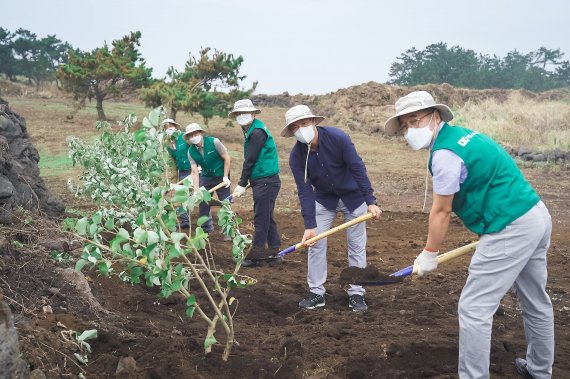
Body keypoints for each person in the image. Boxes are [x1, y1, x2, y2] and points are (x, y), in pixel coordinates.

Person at [384, 90, 553, 378]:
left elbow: (441, 211)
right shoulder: (464, 136)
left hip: (509, 227)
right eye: (404, 125)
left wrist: (429, 254)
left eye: (415, 120)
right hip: (534, 215)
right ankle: (539, 370)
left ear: (435, 117)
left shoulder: (445, 155)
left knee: (474, 308)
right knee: (536, 301)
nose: (410, 129)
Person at [281, 105, 381, 312]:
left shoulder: (338, 138)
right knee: (315, 243)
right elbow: (305, 190)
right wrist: (310, 225)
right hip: (324, 200)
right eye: (295, 127)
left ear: (314, 122)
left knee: (356, 246)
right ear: (291, 132)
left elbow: (357, 167)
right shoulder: (296, 157)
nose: (301, 129)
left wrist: (371, 201)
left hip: (353, 198)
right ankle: (317, 292)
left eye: (304, 123)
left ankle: (356, 294)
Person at [229, 99, 282, 267]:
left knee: (261, 217)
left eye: (245, 112)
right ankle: (274, 251)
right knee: (267, 216)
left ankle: (257, 254)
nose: (242, 116)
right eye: (239, 113)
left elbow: (250, 160)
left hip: (266, 181)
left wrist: (242, 183)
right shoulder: (252, 129)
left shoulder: (257, 132)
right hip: (265, 180)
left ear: (253, 113)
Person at [183, 123, 231, 236]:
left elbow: (227, 158)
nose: (194, 136)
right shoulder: (191, 151)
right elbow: (194, 171)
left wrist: (225, 176)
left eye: (195, 133)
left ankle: (228, 231)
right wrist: (196, 190)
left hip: (221, 176)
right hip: (206, 177)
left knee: (226, 203)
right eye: (191, 135)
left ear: (200, 133)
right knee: (203, 202)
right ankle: (206, 229)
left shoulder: (214, 142)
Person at [163, 118, 191, 229]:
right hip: (183, 171)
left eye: (170, 126)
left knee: (189, 195)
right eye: (166, 127)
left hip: (193, 169)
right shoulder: (168, 143)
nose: (169, 129)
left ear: (175, 127)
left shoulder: (184, 137)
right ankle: (185, 220)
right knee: (183, 196)